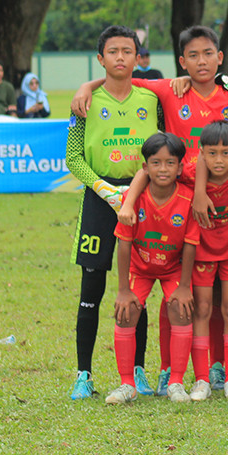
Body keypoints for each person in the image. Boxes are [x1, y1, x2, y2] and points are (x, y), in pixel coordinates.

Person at [76, 25, 228, 394]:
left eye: (208, 54)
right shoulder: (168, 89)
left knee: (218, 298)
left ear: (220, 57)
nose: (201, 61)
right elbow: (121, 75)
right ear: (181, 62)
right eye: (192, 56)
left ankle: (220, 369)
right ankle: (167, 371)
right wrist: (87, 86)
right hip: (178, 206)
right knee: (179, 290)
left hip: (225, 209)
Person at [65, 25, 160, 400]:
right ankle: (83, 375)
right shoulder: (83, 103)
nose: (120, 57)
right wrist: (106, 190)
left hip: (143, 199)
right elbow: (73, 157)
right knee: (92, 289)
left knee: (139, 287)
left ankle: (138, 371)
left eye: (127, 51)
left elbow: (162, 150)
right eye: (113, 51)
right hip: (99, 201)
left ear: (138, 58)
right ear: (100, 58)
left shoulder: (152, 99)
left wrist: (133, 192)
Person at [106, 132, 198, 404]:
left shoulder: (188, 199)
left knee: (181, 309)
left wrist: (183, 287)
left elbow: (191, 245)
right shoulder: (134, 200)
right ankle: (127, 385)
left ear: (180, 167)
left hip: (173, 269)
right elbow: (123, 244)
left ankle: (176, 383)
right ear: (145, 168)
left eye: (170, 163)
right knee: (127, 311)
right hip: (140, 268)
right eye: (155, 163)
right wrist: (123, 289)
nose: (163, 169)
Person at [184, 121, 228, 400]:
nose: (218, 160)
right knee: (203, 311)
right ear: (201, 154)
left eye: (225, 153)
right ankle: (201, 380)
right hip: (201, 256)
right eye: (211, 153)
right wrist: (199, 190)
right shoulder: (189, 173)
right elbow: (147, 172)